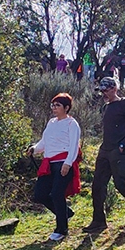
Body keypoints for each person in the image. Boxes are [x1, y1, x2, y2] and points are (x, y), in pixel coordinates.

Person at [86, 77, 125, 233]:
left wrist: (123, 145)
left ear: (114, 88)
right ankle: (99, 220)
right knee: (97, 186)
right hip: (105, 150)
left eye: (106, 90)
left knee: (120, 184)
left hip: (119, 151)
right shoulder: (106, 107)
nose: (104, 94)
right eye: (102, 91)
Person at [28, 92, 82, 241]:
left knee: (58, 194)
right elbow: (44, 142)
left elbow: (74, 146)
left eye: (57, 105)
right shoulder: (51, 123)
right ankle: (65, 213)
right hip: (49, 164)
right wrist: (34, 148)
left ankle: (61, 229)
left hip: (64, 162)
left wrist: (68, 163)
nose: (54, 108)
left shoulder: (72, 124)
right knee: (40, 194)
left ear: (66, 107)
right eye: (53, 105)